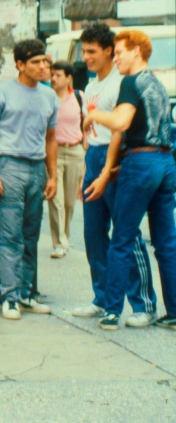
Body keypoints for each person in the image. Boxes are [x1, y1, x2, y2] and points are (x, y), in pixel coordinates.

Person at [83, 29, 175, 331]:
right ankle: (172, 311)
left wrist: (95, 115)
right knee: (166, 243)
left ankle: (111, 311)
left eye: (120, 51)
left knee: (122, 238)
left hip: (140, 161)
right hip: (165, 160)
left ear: (137, 51)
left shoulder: (131, 82)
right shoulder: (157, 84)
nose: (117, 56)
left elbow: (120, 123)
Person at [74, 22, 156, 325]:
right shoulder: (91, 86)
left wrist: (108, 170)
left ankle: (142, 304)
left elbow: (118, 131)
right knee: (93, 233)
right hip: (94, 157)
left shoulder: (121, 83)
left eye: (92, 51)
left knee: (126, 233)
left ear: (110, 51)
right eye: (83, 51)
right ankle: (103, 298)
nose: (86, 57)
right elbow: (90, 131)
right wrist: (88, 167)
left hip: (116, 159)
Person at [0, 39, 58, 321]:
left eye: (45, 61)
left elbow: (51, 138)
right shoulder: (1, 92)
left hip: (37, 168)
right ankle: (9, 297)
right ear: (20, 65)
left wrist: (53, 175)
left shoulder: (50, 97)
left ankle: (26, 293)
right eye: (36, 62)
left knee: (31, 235)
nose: (43, 67)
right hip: (9, 165)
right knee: (11, 235)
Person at [47, 61, 85, 259]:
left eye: (58, 75)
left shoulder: (79, 97)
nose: (53, 78)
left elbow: (86, 123)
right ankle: (59, 242)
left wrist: (85, 149)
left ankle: (65, 236)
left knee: (70, 202)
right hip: (53, 151)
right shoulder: (47, 98)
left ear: (69, 78)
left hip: (75, 151)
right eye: (52, 75)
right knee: (55, 199)